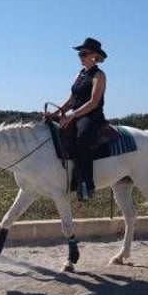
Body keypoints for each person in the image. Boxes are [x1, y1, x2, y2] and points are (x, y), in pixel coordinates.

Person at [47, 37, 108, 201]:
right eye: (80, 54)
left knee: (81, 139)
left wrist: (72, 115)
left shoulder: (99, 75)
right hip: (76, 114)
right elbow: (71, 100)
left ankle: (87, 184)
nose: (80, 56)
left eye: (84, 53)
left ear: (94, 56)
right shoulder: (79, 75)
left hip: (91, 117)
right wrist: (57, 113)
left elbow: (93, 102)